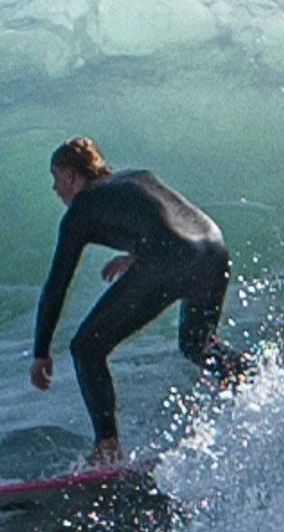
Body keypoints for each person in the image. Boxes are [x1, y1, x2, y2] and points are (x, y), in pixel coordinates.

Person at [28, 136, 248, 463]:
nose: (54, 187)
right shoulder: (138, 177)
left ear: (72, 175)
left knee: (87, 348)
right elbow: (164, 218)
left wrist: (41, 351)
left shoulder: (81, 209)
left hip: (169, 258)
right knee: (197, 345)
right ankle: (257, 384)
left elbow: (57, 285)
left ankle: (107, 449)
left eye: (55, 176)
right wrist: (135, 255)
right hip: (214, 251)